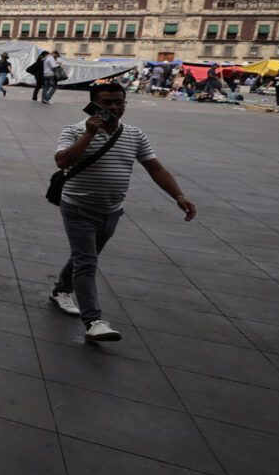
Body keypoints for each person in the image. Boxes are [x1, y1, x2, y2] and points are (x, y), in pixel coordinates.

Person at [48, 81, 196, 342]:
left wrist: (179, 196)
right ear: (94, 104)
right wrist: (89, 134)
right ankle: (93, 321)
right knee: (87, 261)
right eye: (107, 103)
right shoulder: (74, 130)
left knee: (86, 256)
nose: (114, 107)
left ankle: (61, 289)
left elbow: (155, 168)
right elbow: (62, 161)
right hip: (78, 207)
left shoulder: (134, 134)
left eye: (119, 102)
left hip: (112, 210)